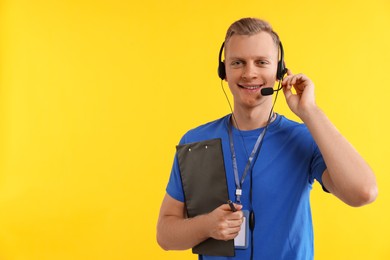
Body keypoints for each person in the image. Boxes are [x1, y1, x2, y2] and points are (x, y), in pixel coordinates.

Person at [156, 17, 377, 259]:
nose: (249, 73)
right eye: (238, 62)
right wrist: (206, 226)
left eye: (261, 62)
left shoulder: (303, 138)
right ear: (224, 71)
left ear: (280, 70)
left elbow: (363, 192)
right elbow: (165, 235)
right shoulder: (196, 141)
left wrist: (310, 111)